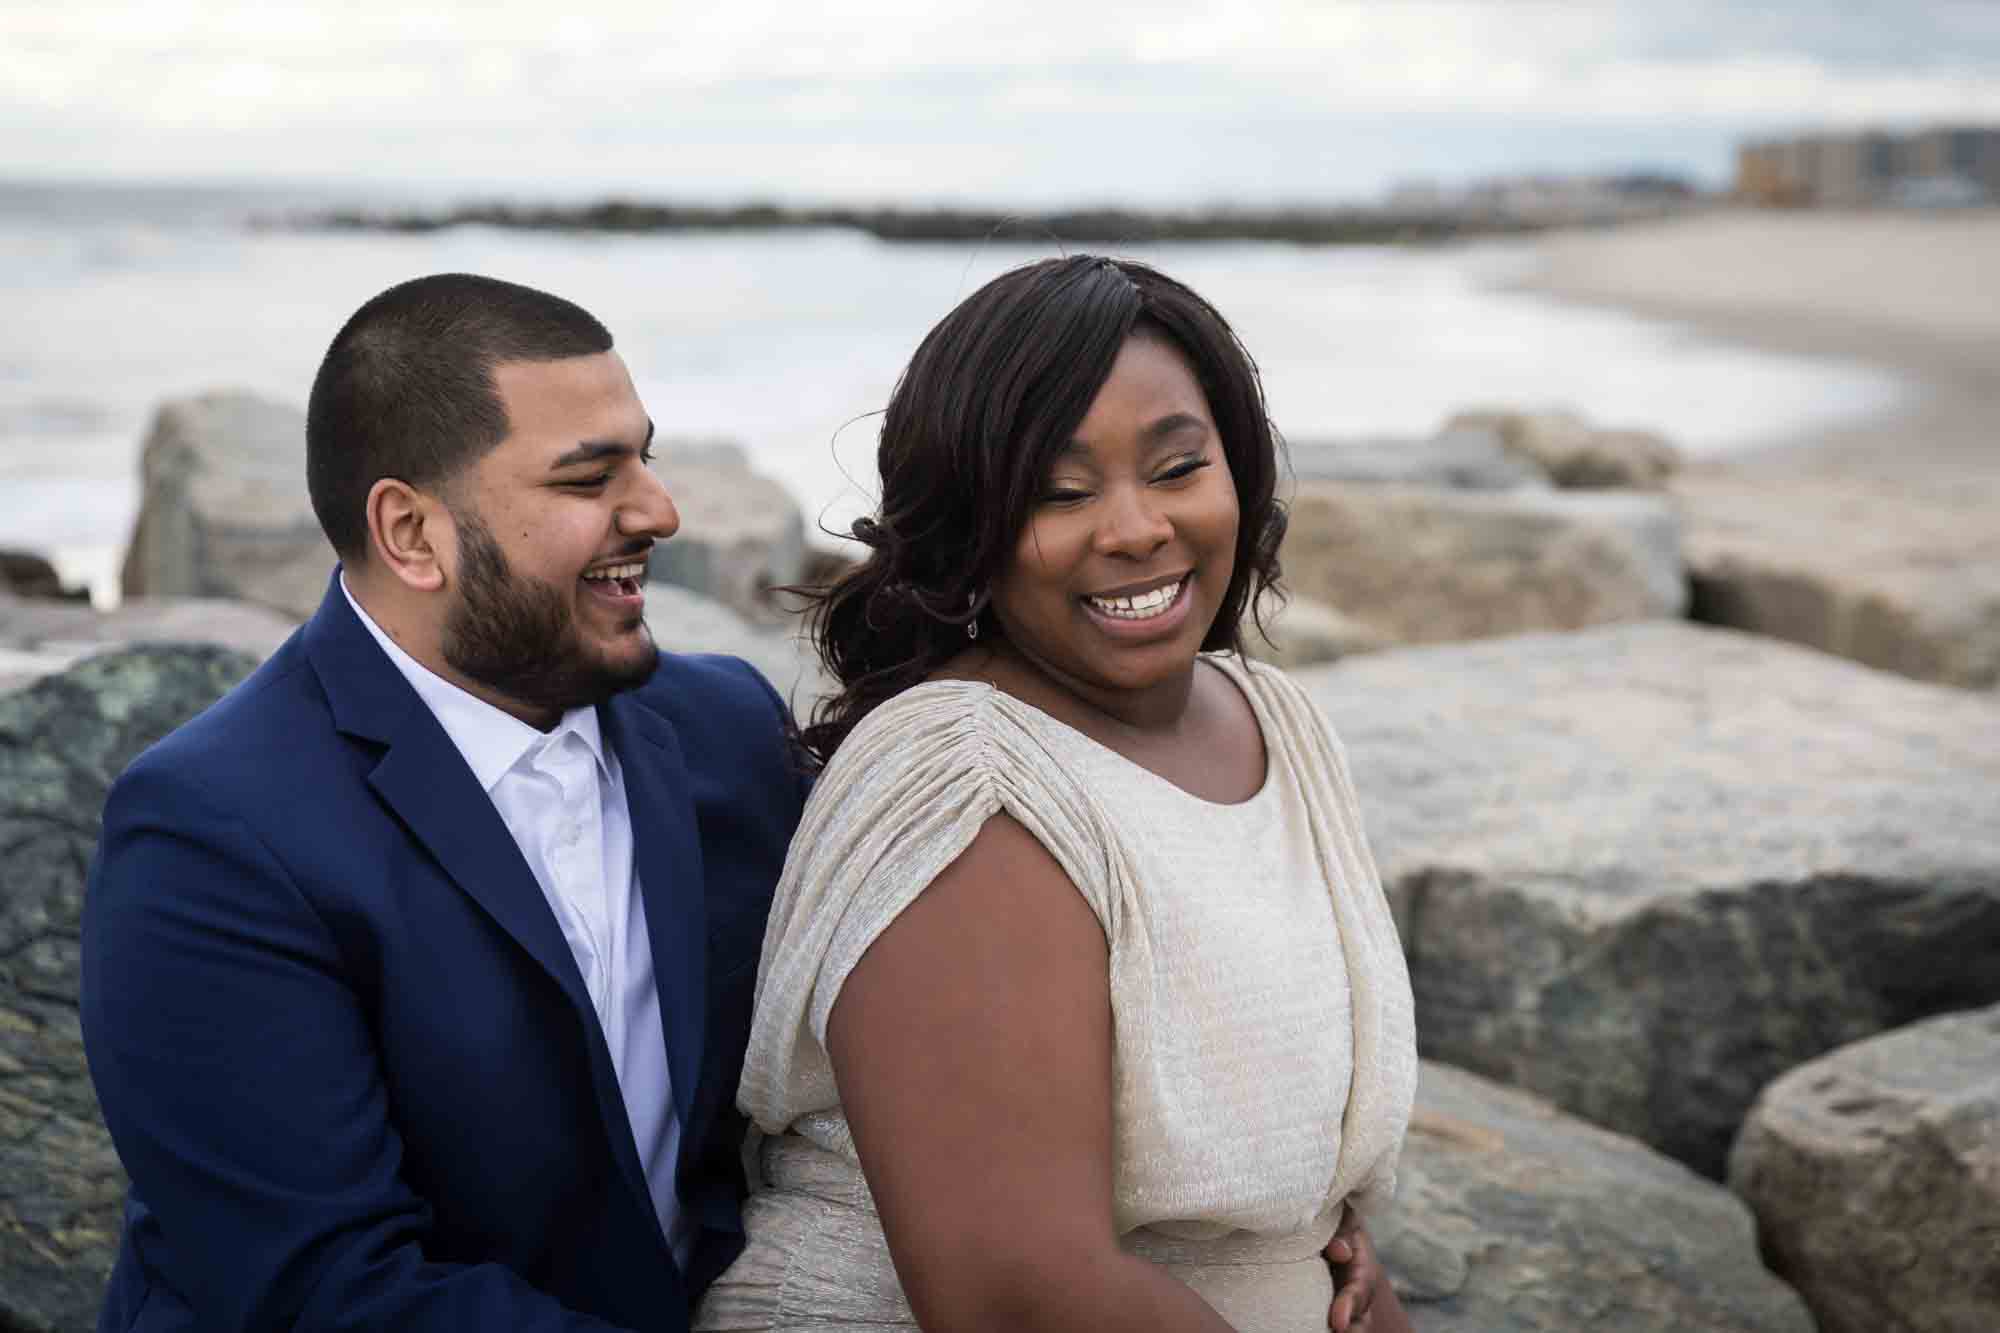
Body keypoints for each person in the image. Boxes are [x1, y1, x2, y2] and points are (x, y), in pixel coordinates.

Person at [696, 256, 1418, 1333]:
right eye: (1059, 492)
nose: (1131, 529)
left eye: (1177, 468)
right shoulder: (964, 779)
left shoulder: (1280, 722)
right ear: (968, 530)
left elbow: (1290, 1185)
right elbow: (1015, 1291)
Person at [80, 274, 810, 1333]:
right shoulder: (210, 832)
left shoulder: (726, 732)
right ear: (412, 533)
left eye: (643, 456)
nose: (658, 509)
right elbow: (325, 1291)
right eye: (588, 478)